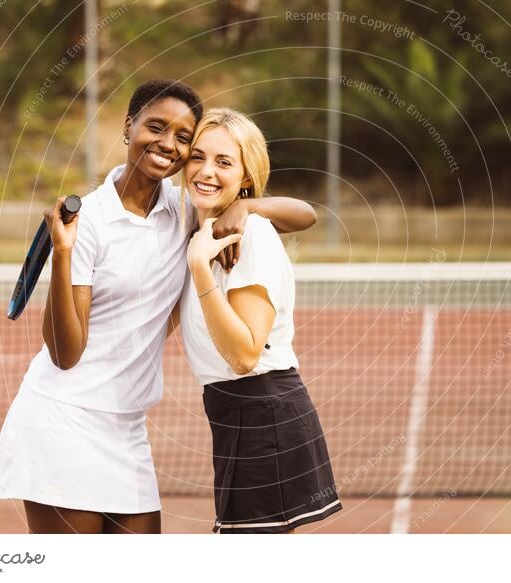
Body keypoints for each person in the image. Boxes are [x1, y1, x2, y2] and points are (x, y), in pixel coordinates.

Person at [0, 81, 317, 534]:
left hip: (127, 428)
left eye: (184, 137)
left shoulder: (185, 210)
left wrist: (250, 205)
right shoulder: (90, 221)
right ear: (129, 127)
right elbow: (65, 354)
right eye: (156, 127)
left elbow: (304, 215)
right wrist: (63, 253)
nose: (168, 143)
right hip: (65, 420)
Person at [177, 108, 341, 533]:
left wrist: (200, 269)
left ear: (246, 177)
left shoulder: (252, 236)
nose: (206, 170)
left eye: (224, 161)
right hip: (236, 413)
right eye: (197, 156)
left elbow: (246, 355)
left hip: (261, 412)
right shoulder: (200, 227)